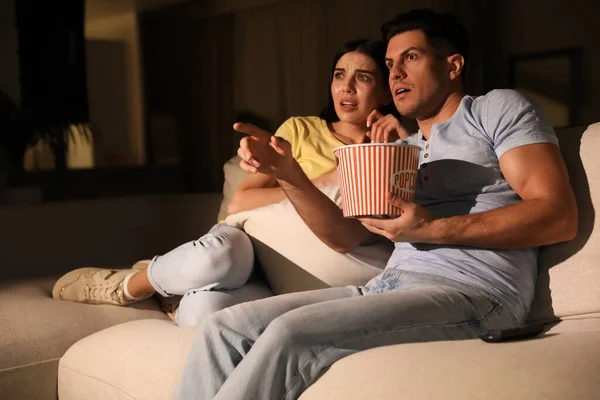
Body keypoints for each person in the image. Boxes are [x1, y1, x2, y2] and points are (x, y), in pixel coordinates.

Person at [173, 9, 578, 400]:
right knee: (224, 329)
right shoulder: (399, 149)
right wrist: (289, 173)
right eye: (389, 63)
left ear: (453, 65)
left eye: (411, 57)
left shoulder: (494, 110)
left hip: (475, 293)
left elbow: (557, 215)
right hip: (387, 288)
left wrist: (431, 228)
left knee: (289, 334)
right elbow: (345, 235)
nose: (396, 72)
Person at [51, 39, 403, 327]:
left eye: (363, 77)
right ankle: (125, 285)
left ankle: (176, 289)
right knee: (220, 256)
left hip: (288, 282)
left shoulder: (398, 151)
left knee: (202, 313)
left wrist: (380, 149)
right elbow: (239, 203)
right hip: (251, 250)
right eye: (340, 74)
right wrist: (325, 179)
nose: (347, 86)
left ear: (387, 93)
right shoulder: (300, 130)